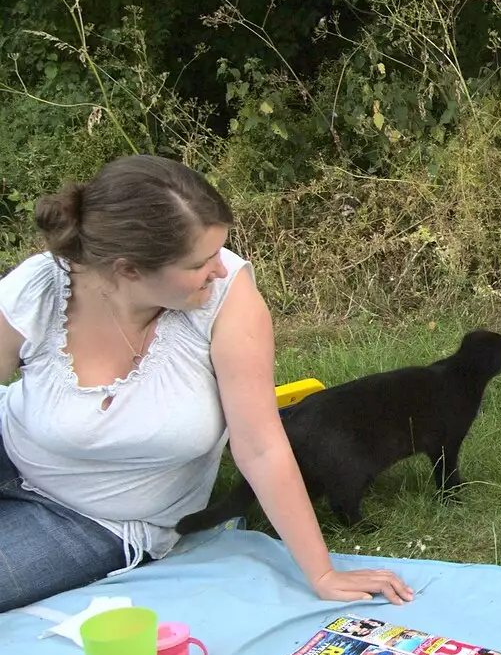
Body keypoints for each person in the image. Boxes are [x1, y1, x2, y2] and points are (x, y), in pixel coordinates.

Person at [0, 155, 412, 611]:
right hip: (12, 449)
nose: (220, 269)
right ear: (128, 269)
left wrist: (323, 572)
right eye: (201, 261)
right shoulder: (43, 285)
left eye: (219, 250)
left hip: (97, 519)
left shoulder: (226, 299)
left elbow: (261, 446)